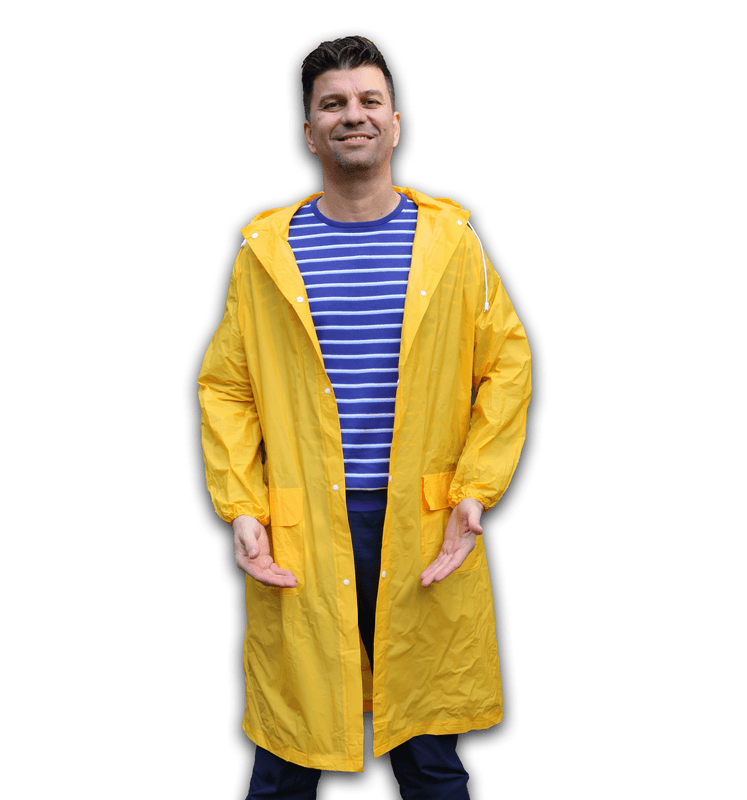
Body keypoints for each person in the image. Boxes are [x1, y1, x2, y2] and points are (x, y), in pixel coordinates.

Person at [198, 35, 531, 800]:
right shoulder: (266, 252)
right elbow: (228, 387)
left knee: (428, 752)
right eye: (333, 104)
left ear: (396, 122)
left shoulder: (451, 245)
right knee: (290, 748)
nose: (353, 115)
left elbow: (506, 367)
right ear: (309, 132)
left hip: (422, 520)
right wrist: (243, 507)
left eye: (369, 100)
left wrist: (475, 489)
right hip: (304, 527)